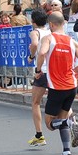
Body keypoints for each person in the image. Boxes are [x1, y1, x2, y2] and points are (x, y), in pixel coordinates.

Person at [35, 12, 78, 155]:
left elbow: (41, 52)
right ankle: (67, 153)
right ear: (63, 24)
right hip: (71, 86)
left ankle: (69, 123)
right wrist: (75, 70)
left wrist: (38, 70)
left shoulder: (49, 38)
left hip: (56, 87)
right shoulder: (71, 41)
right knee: (61, 117)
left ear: (51, 25)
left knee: (49, 124)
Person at [27, 9, 51, 147]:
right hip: (53, 70)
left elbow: (35, 44)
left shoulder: (35, 32)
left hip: (41, 70)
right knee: (58, 99)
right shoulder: (50, 32)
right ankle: (71, 120)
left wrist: (31, 56)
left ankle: (39, 135)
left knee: (35, 102)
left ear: (33, 22)